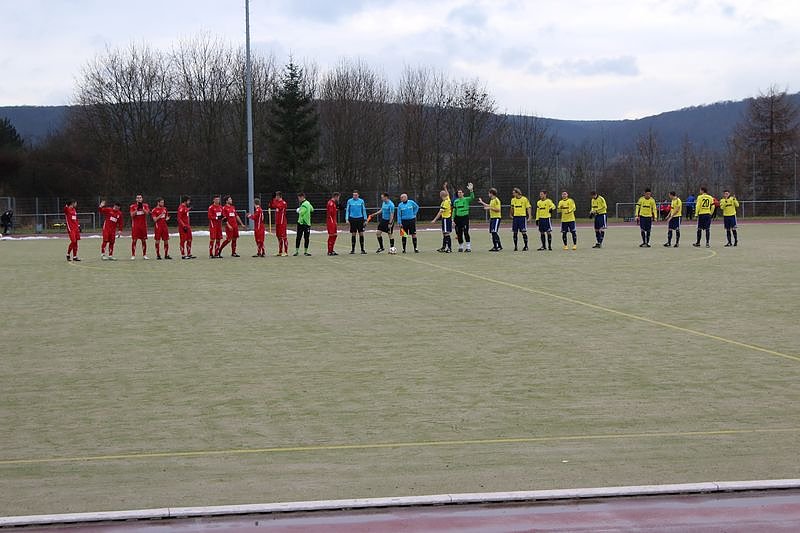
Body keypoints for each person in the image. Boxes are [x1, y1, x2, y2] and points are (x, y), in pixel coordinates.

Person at [450, 182, 475, 252]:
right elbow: (454, 211)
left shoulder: (466, 199)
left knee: (466, 232)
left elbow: (472, 197)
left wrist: (471, 190)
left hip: (465, 218)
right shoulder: (456, 201)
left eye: (461, 192)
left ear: (463, 193)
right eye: (458, 192)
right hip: (458, 218)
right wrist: (452, 219)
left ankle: (468, 247)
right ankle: (460, 246)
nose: (459, 193)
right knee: (459, 233)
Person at [431, 187, 453, 253]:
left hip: (446, 219)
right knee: (444, 233)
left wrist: (434, 220)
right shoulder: (448, 199)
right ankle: (443, 247)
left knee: (446, 233)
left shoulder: (445, 202)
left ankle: (449, 248)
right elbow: (448, 194)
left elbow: (440, 212)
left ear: (441, 196)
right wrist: (445, 187)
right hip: (445, 219)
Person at [345, 190, 367, 254]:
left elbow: (363, 210)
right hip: (352, 219)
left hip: (360, 219)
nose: (354, 196)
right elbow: (347, 210)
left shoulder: (361, 201)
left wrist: (365, 219)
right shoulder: (349, 201)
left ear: (358, 195)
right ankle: (353, 250)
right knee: (353, 234)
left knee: (361, 234)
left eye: (356, 195)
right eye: (353, 195)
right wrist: (347, 219)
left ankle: (362, 249)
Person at [129, 194, 150, 260]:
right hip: (135, 226)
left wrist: (142, 209)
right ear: (136, 199)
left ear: (142, 199)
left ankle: (144, 255)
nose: (139, 199)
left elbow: (147, 213)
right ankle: (133, 255)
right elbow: (132, 215)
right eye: (137, 198)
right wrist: (137, 209)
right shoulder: (132, 206)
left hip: (143, 226)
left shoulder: (145, 205)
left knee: (143, 240)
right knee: (134, 240)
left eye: (140, 198)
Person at [269, 191, 289, 257]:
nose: (275, 197)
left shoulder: (283, 203)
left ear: (279, 196)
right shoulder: (276, 201)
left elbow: (277, 206)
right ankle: (280, 251)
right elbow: (271, 205)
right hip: (277, 222)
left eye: (276, 196)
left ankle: (286, 251)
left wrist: (274, 201)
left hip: (282, 222)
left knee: (284, 237)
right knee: (278, 237)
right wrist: (272, 200)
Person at [177, 195, 195, 259]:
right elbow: (179, 218)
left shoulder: (185, 207)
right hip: (183, 227)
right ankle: (183, 255)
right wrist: (183, 226)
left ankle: (189, 253)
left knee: (189, 239)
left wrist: (189, 209)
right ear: (185, 201)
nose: (189, 202)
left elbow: (185, 213)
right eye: (188, 200)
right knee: (183, 240)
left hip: (188, 226)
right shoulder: (181, 207)